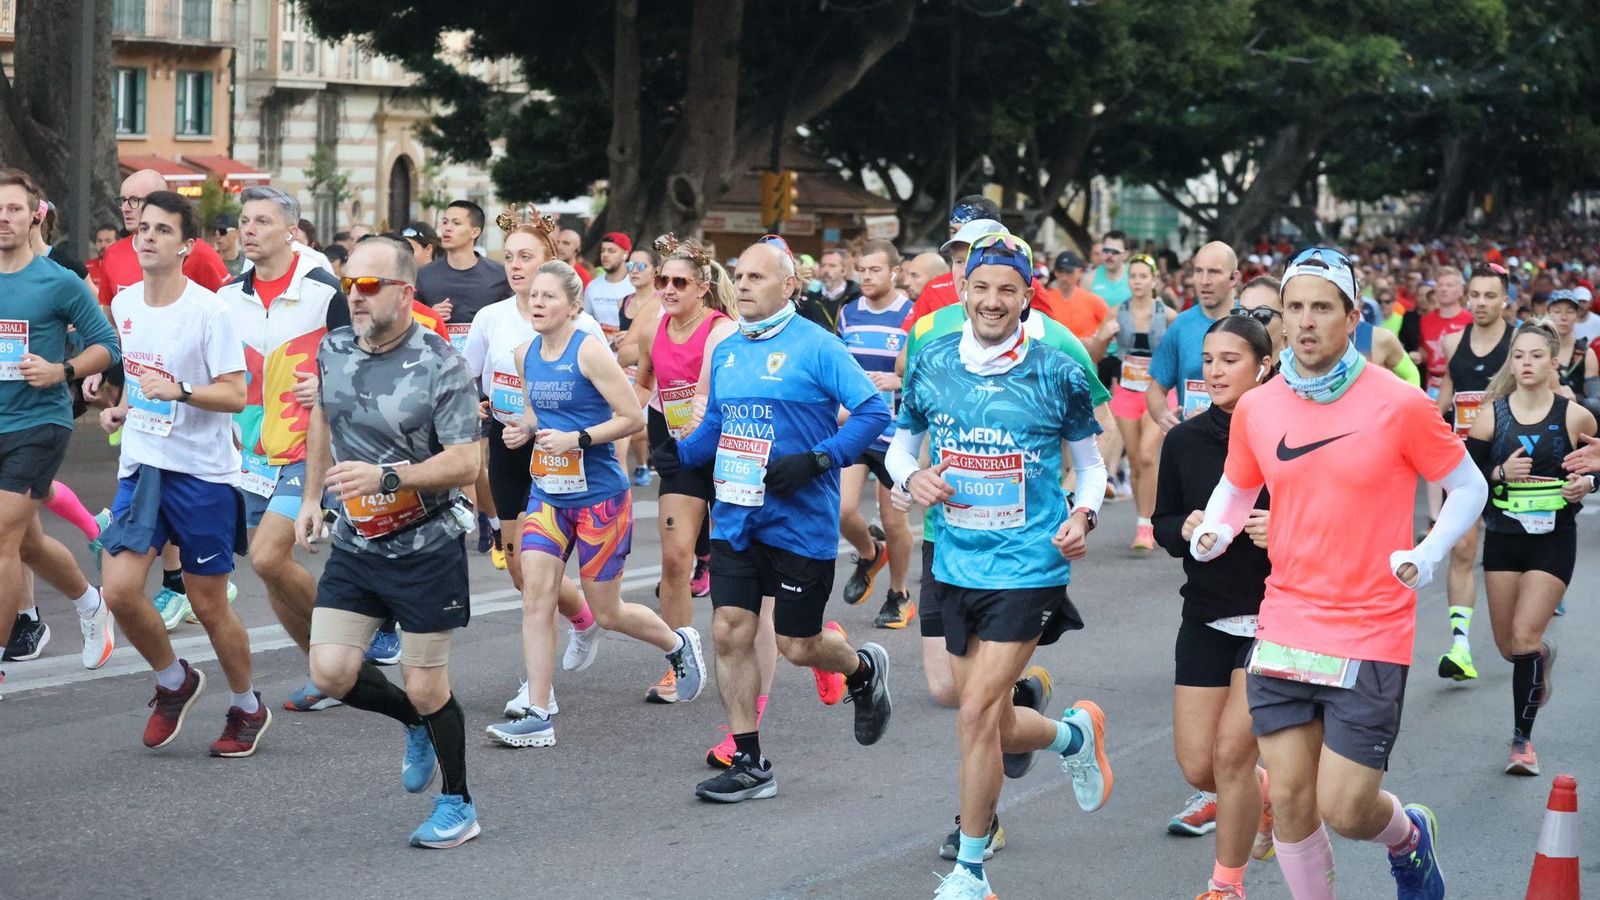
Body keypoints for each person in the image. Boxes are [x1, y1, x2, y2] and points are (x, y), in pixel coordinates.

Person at [1190, 246, 1484, 900]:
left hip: (1371, 625)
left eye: (1323, 307)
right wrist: (1217, 527)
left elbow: (1468, 487)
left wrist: (1426, 554)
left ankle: (1408, 837)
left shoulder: (1399, 403)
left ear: (1353, 317)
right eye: (1295, 308)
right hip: (1288, 619)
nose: (1307, 321)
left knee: (1347, 807)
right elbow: (1239, 487)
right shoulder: (1259, 408)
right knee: (1291, 797)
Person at [887, 232, 1111, 900]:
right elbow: (901, 449)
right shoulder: (930, 360)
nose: (991, 300)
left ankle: (971, 869)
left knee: (976, 712)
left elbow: (1092, 466)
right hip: (955, 561)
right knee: (985, 714)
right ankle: (1073, 734)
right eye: (980, 287)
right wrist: (912, 481)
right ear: (963, 291)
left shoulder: (1058, 369)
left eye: (1006, 289)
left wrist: (1083, 516)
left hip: (1030, 563)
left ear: (1024, 296)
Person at [653, 236, 893, 803]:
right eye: (739, 277)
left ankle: (861, 670)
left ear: (790, 286)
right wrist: (682, 453)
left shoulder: (819, 346)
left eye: (757, 278)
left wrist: (818, 459)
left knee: (796, 643)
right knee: (729, 630)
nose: (744, 287)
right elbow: (718, 420)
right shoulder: (730, 347)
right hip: (737, 515)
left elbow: (872, 411)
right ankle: (750, 760)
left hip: (800, 521)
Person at [295, 237, 484, 849]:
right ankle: (415, 725)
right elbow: (322, 414)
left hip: (425, 545)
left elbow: (466, 462)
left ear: (405, 293)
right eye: (350, 283)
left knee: (428, 683)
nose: (355, 294)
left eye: (370, 285)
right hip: (357, 540)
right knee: (329, 672)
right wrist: (310, 498)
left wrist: (389, 476)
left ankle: (459, 804)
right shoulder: (334, 347)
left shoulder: (440, 362)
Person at [483, 259, 708, 748]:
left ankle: (677, 644)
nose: (538, 303)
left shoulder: (589, 352)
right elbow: (533, 408)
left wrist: (579, 438)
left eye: (549, 297)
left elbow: (632, 417)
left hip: (601, 497)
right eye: (533, 297)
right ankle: (538, 712)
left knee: (607, 610)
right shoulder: (525, 354)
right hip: (547, 492)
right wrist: (523, 427)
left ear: (573, 306)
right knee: (536, 595)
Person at [95, 190, 262, 756]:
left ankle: (246, 706)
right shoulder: (124, 304)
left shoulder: (209, 310)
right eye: (143, 227)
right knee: (118, 592)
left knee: (208, 601)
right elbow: (142, 383)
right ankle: (174, 680)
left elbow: (237, 395)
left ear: (187, 246)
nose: (148, 237)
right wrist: (123, 406)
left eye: (163, 230)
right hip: (143, 466)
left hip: (202, 473)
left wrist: (184, 392)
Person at [1153, 315, 1277, 898]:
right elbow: (1162, 524)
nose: (1215, 370)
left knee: (1231, 754)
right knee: (1200, 768)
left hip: (1276, 618)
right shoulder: (1184, 439)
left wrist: (1283, 529)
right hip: (1205, 613)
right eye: (1208, 359)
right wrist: (1187, 526)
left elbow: (1336, 518)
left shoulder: (1289, 436)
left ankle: (1225, 887)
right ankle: (1268, 794)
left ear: (1264, 366)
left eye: (1230, 359)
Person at [465, 208, 606, 718]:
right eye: (510, 257)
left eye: (527, 257)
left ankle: (535, 689)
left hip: (563, 452)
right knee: (523, 570)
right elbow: (469, 376)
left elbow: (607, 395)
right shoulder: (491, 318)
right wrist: (478, 404)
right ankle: (582, 619)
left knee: (538, 572)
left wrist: (574, 430)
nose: (516, 266)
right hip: (508, 446)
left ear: (551, 262)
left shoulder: (581, 323)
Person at [216, 185, 353, 711]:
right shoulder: (229, 296)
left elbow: (355, 360)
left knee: (272, 556)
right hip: (250, 452)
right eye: (244, 220)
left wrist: (328, 386)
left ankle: (344, 653)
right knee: (266, 568)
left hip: (308, 445)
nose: (248, 230)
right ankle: (325, 675)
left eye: (262, 221)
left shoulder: (323, 290)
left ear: (290, 231)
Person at [0, 168, 120, 692]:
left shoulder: (58, 280)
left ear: (34, 217)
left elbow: (106, 345)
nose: (4, 218)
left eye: (14, 209)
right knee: (25, 543)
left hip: (38, 422)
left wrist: (61, 371)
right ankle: (90, 603)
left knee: (1, 538)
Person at [1466, 321, 1594, 776]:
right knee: (1509, 647)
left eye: (1536, 355)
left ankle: (1522, 742)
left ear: (1553, 361)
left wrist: (1588, 482)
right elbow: (1467, 481)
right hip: (1503, 539)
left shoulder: (1575, 416)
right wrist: (1501, 473)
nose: (1526, 363)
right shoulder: (1491, 415)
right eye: (1519, 355)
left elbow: (1597, 464)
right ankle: (1541, 656)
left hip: (1554, 541)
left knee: (1523, 637)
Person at [631, 234, 740, 710]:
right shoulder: (653, 323)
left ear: (701, 288)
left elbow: (702, 396)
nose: (668, 289)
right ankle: (679, 658)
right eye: (662, 281)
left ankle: (765, 647)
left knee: (747, 560)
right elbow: (643, 382)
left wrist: (685, 442)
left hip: (726, 448)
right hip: (678, 452)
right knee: (675, 560)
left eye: (679, 282)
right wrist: (623, 431)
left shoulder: (720, 330)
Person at [416, 200, 511, 564]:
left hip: (481, 381)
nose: (447, 228)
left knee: (476, 460)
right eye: (444, 221)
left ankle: (485, 518)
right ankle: (480, 517)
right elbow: (411, 321)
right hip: (436, 379)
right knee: (452, 456)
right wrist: (430, 315)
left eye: (456, 222)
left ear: (475, 232)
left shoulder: (496, 275)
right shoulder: (425, 276)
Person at [1432, 263, 1512, 683]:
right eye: (1475, 295)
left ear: (1505, 300)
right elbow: (1442, 403)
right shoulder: (1451, 343)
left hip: (1513, 463)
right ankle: (1460, 646)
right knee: (1463, 548)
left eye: (1489, 296)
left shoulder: (1519, 344)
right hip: (1463, 462)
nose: (1480, 303)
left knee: (1508, 555)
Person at [837, 239, 915, 625]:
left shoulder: (913, 316)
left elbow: (927, 374)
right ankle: (871, 553)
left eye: (875, 270)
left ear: (894, 273)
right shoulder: (849, 314)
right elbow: (838, 367)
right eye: (862, 270)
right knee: (840, 510)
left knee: (894, 519)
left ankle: (898, 594)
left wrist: (897, 378)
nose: (866, 277)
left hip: (897, 434)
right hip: (856, 426)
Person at [1095, 253, 1175, 550]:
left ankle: (1145, 525)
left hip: (1158, 391)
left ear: (1154, 280)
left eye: (1143, 276)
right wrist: (1105, 336)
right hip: (1127, 391)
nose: (1138, 282)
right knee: (1138, 465)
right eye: (1134, 276)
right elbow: (1099, 350)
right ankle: (1144, 520)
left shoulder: (1167, 316)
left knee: (1146, 455)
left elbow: (1180, 352)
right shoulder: (1116, 312)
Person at [99, 169, 231, 305]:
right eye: (122, 200)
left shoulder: (197, 252)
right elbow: (108, 318)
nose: (125, 208)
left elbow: (230, 305)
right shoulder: (113, 253)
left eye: (134, 200)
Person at [1148, 242, 1239, 434]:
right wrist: (1163, 415)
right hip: (1194, 444)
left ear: (1234, 278)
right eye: (1198, 271)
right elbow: (1156, 388)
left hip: (1240, 444)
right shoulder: (1181, 325)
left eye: (1214, 272)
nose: (1204, 280)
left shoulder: (1251, 323)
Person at [904, 196, 1005, 328]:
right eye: (953, 231)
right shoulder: (934, 289)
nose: (959, 237)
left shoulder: (1021, 283)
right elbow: (911, 340)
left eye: (968, 230)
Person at [614, 245, 664, 486]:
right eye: (630, 266)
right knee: (618, 441)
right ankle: (619, 503)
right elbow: (624, 352)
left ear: (656, 271)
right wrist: (620, 342)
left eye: (640, 266)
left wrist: (644, 346)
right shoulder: (624, 301)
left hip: (655, 376)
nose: (633, 271)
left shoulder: (661, 301)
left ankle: (643, 463)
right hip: (625, 374)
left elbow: (653, 344)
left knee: (640, 431)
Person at [1546, 290, 1600, 418]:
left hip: (1575, 420)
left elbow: (1597, 402)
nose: (1563, 318)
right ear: (1548, 314)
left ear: (1576, 315)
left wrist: (1577, 400)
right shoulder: (1536, 351)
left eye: (1570, 312)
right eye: (1557, 311)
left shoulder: (1586, 354)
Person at [1419, 269, 1470, 392]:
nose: (1444, 289)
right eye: (1440, 285)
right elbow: (1425, 351)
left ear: (1461, 291)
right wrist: (1419, 356)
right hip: (1433, 385)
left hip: (1462, 384)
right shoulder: (1425, 321)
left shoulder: (1471, 320)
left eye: (1449, 285)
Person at [1051, 251, 1111, 351]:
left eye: (1069, 272)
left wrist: (1096, 339)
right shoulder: (1046, 299)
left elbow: (1110, 322)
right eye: (1060, 272)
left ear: (1080, 272)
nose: (1064, 278)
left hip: (1084, 358)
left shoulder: (1093, 300)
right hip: (1055, 358)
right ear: (1055, 273)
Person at [798, 247, 862, 333]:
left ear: (843, 270)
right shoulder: (811, 301)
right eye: (823, 265)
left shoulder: (857, 297)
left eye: (832, 266)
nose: (826, 270)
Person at [1083, 230, 1132, 308]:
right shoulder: (1089, 279)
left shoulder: (1134, 276)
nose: (1109, 255)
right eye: (1106, 250)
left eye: (1115, 252)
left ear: (1125, 255)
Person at [210, 213, 244, 277]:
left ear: (236, 233)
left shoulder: (249, 263)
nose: (217, 236)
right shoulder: (210, 262)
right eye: (214, 231)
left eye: (222, 231)